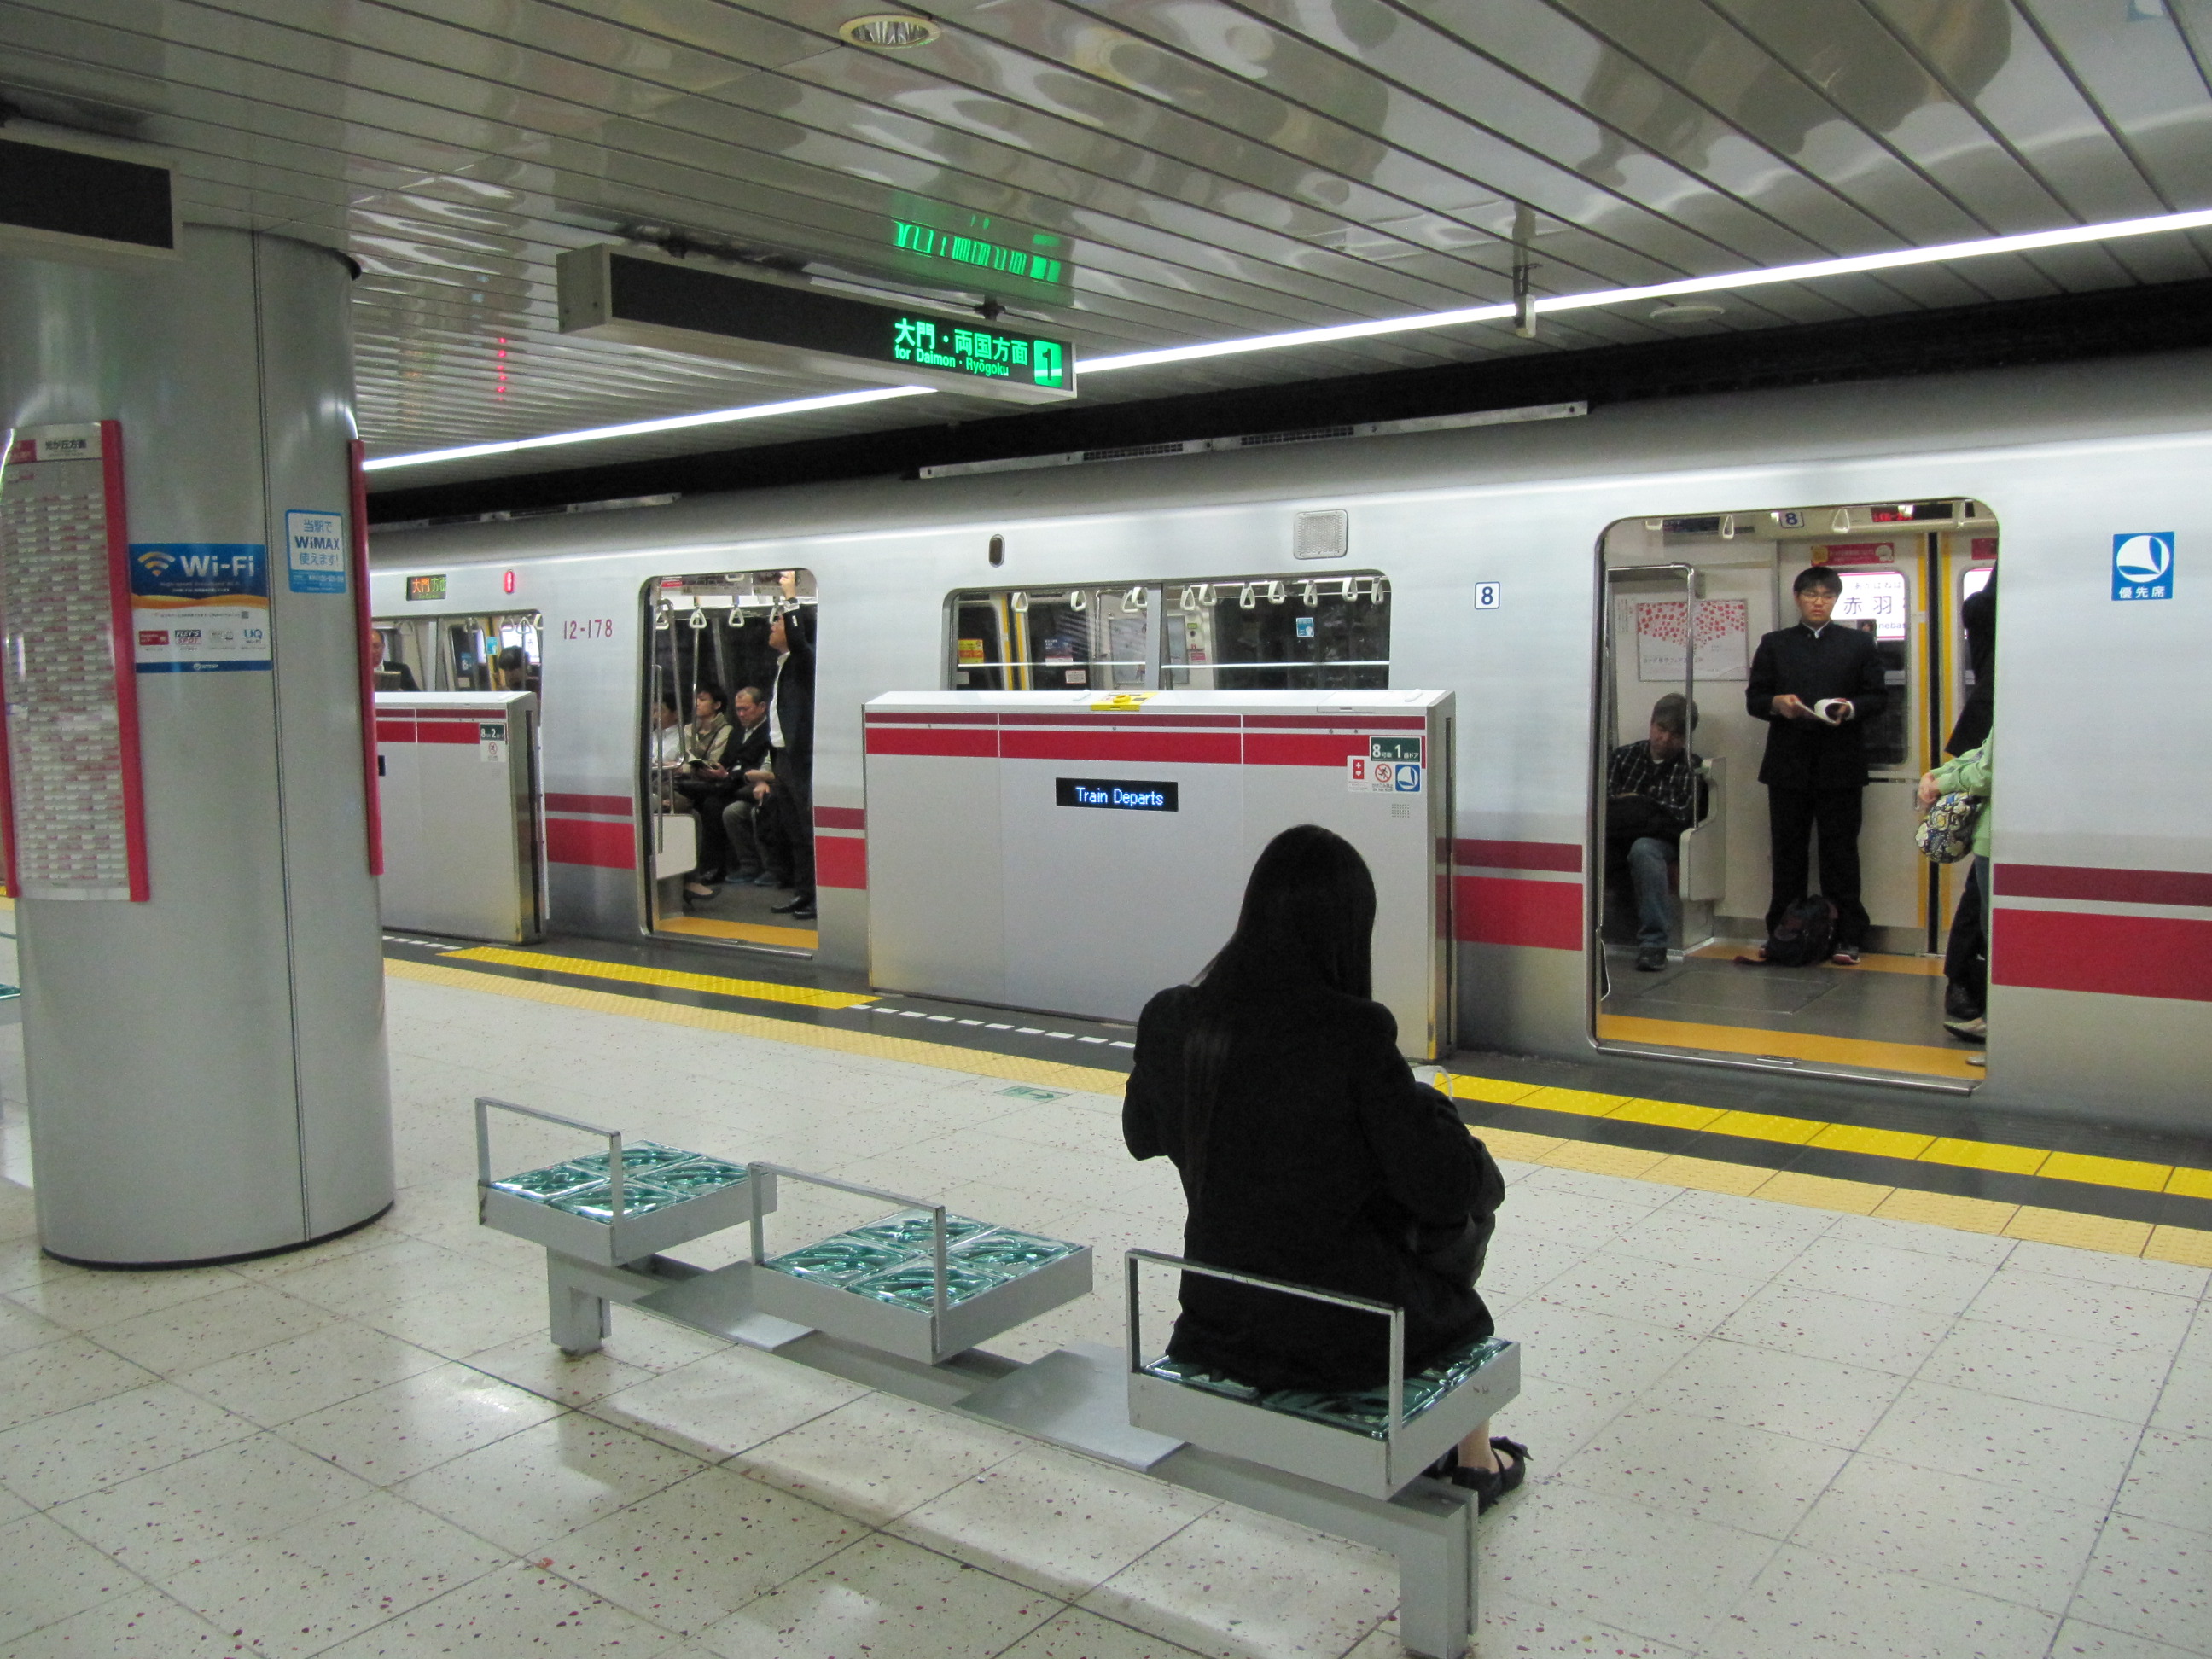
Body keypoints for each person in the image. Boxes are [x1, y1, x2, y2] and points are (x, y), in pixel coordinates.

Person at [1122, 825, 1526, 1509]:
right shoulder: (1353, 1032)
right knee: (1460, 1262)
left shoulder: (1173, 1018)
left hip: (1217, 1313)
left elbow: (1141, 1135)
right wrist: (1430, 1113)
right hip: (1342, 1336)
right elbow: (1445, 1188)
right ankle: (1475, 1463)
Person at [1746, 566, 1888, 965]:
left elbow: (1878, 697)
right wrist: (1778, 704)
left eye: (1827, 595)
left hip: (1840, 765)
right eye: (1811, 595)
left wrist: (1850, 708)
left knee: (1840, 856)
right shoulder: (1775, 644)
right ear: (1797, 598)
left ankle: (1848, 936)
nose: (1819, 602)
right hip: (1787, 766)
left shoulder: (1859, 644)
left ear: (1836, 600)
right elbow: (1755, 699)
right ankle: (1783, 934)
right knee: (1787, 855)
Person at [1604, 693, 1707, 973]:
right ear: (1651, 725)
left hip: (1661, 842)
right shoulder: (1624, 756)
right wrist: (1650, 809)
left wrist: (1635, 803)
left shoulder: (1690, 766)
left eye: (1675, 735)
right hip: (1618, 836)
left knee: (1644, 849)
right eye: (1661, 729)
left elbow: (1679, 818)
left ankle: (1654, 943)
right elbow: (1607, 806)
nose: (1664, 739)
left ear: (1685, 738)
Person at [1941, 570, 1996, 1032]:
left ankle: (1972, 982)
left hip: (1987, 744)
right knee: (1981, 883)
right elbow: (1979, 608)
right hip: (1984, 742)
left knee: (1985, 886)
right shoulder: (1986, 608)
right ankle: (1963, 981)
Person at [1921, 738, 1994, 1052]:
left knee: (1996, 938)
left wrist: (1944, 782)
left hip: (1998, 837)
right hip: (1995, 837)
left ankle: (1998, 1026)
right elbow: (1985, 753)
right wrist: (1937, 773)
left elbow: (1987, 772)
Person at [761, 607, 817, 921]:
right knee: (794, 831)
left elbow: (799, 640)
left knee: (808, 831)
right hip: (782, 757)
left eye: (779, 621)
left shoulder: (804, 660)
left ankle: (818, 897)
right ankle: (804, 892)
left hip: (800, 759)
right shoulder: (783, 665)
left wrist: (792, 598)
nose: (772, 625)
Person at [673, 685, 734, 895]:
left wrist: (689, 766)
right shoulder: (689, 729)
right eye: (696, 699)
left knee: (708, 807)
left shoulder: (726, 731)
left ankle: (709, 867)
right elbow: (682, 756)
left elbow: (714, 762)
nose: (697, 703)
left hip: (711, 785)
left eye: (703, 699)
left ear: (717, 705)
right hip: (690, 782)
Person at [715, 686, 776, 884]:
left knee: (750, 809)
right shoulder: (737, 732)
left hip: (759, 783)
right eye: (738, 710)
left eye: (746, 709)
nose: (741, 714)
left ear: (762, 707)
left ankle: (773, 867)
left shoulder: (771, 733)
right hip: (737, 783)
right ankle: (748, 865)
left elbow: (764, 765)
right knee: (730, 811)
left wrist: (735, 775)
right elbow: (726, 760)